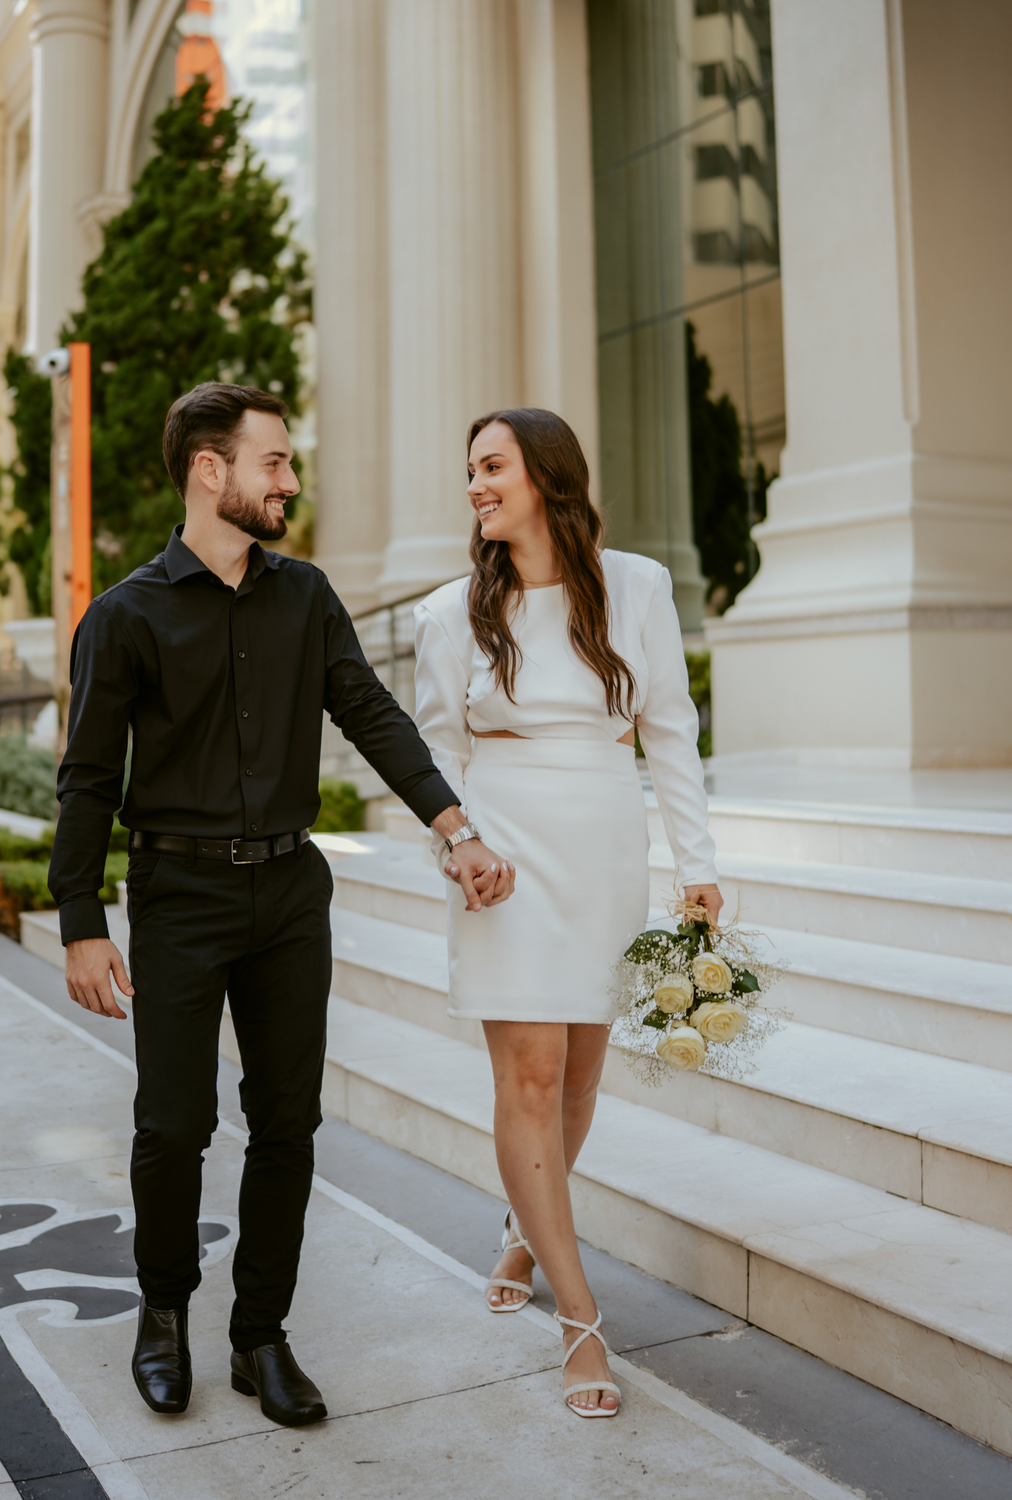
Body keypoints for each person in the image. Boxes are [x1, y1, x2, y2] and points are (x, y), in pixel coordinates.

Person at [48, 382, 514, 1428]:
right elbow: (86, 777)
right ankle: (162, 1315)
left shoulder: (305, 595)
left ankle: (260, 1335)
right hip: (177, 895)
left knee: (288, 1122)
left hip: (290, 892)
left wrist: (456, 827)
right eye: (275, 464)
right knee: (174, 1125)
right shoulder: (124, 616)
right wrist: (80, 917)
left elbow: (371, 712)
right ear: (210, 471)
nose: (290, 483)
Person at [412, 407, 722, 1418]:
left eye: (491, 465)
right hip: (502, 851)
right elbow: (434, 759)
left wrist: (697, 869)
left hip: (602, 848)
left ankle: (523, 1233)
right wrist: (458, 848)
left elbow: (669, 731)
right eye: (470, 470)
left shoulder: (635, 586)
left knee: (581, 1076)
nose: (475, 485)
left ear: (544, 475)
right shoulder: (449, 612)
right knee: (531, 1072)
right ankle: (580, 1318)